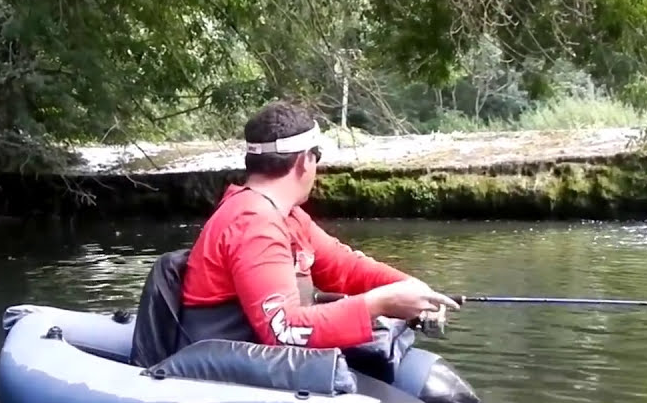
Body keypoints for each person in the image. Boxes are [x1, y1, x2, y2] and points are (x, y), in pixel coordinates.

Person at [178, 100, 459, 350]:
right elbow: (284, 330)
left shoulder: (288, 216)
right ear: (304, 161)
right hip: (231, 365)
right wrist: (380, 304)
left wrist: (412, 287)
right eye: (317, 157)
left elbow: (346, 270)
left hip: (264, 362)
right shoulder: (253, 222)